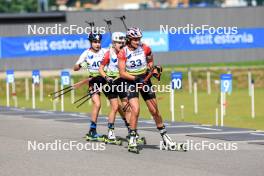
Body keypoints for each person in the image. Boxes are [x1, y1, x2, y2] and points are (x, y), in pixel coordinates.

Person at [118, 27, 177, 153]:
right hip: (130, 81)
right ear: (129, 39)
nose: (137, 41)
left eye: (139, 38)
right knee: (136, 109)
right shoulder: (123, 52)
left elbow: (150, 62)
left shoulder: (145, 48)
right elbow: (122, 73)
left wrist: (154, 71)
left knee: (154, 110)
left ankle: (165, 137)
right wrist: (136, 78)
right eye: (134, 39)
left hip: (145, 79)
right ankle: (133, 138)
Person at [73, 32, 106, 142]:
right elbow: (75, 68)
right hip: (94, 81)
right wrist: (82, 65)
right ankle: (92, 131)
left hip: (106, 81)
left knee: (117, 105)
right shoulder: (86, 53)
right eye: (95, 42)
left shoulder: (105, 51)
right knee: (97, 104)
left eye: (99, 42)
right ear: (91, 42)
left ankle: (130, 129)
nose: (97, 44)